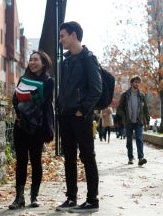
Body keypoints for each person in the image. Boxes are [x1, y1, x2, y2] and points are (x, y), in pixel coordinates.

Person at [56, 21, 102, 213]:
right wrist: (60, 107)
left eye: (63, 36)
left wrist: (82, 110)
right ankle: (71, 198)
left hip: (81, 117)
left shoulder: (88, 58)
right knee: (69, 159)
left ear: (73, 35)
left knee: (87, 157)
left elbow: (96, 89)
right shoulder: (66, 61)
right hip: (65, 116)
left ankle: (92, 200)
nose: (61, 40)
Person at [9, 51, 55, 210]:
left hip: (38, 127)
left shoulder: (49, 81)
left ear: (43, 63)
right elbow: (15, 99)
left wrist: (28, 99)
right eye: (30, 59)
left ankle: (34, 196)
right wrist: (20, 111)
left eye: (36, 60)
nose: (32, 62)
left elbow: (43, 102)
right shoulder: (23, 79)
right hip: (21, 125)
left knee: (36, 161)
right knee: (21, 162)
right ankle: (19, 197)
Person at [116, 75, 150, 166]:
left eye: (139, 82)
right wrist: (124, 116)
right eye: (136, 82)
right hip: (128, 122)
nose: (137, 84)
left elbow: (146, 109)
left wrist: (147, 121)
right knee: (129, 141)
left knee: (139, 139)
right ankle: (130, 157)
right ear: (131, 83)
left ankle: (141, 158)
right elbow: (119, 108)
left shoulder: (142, 96)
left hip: (139, 121)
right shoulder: (125, 95)